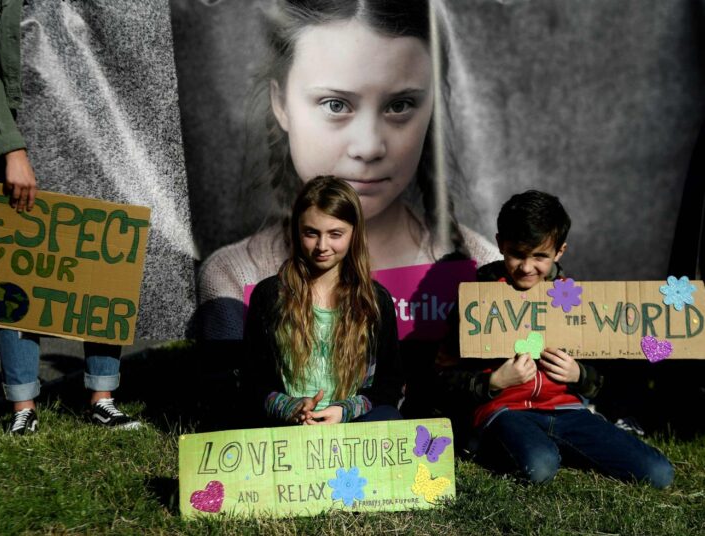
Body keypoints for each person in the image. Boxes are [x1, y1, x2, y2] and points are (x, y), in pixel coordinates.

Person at [197, 0, 501, 339]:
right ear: (281, 103)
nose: (369, 147)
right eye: (336, 105)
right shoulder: (233, 281)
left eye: (400, 106)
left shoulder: (490, 275)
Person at [0, 0, 139, 434]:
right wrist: (11, 150)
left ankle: (103, 397)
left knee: (99, 261)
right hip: (25, 144)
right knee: (20, 268)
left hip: (92, 139)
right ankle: (24, 406)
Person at [437, 190, 674, 488]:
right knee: (540, 466)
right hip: (503, 412)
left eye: (539, 256)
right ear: (500, 245)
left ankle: (556, 445)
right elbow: (445, 378)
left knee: (658, 473)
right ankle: (498, 444)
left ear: (559, 252)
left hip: (567, 410)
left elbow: (598, 379)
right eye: (517, 254)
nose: (526, 267)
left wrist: (578, 374)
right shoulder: (477, 298)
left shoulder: (572, 298)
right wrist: (493, 383)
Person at [245, 176, 403, 425]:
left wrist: (344, 411)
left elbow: (388, 386)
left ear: (354, 234)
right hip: (288, 425)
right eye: (311, 233)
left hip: (351, 423)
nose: (322, 245)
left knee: (389, 418)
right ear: (297, 232)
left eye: (335, 234)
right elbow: (254, 380)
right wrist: (291, 407)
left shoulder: (375, 301)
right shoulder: (270, 295)